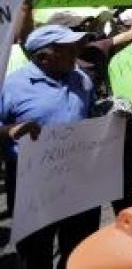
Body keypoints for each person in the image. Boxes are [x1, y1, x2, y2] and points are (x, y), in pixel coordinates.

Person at [1, 25, 100, 268]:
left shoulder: (82, 79)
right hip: (32, 186)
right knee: (36, 252)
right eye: (69, 49)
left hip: (79, 181)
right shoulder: (12, 86)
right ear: (44, 57)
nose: (76, 54)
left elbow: (91, 115)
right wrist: (9, 131)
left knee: (79, 248)